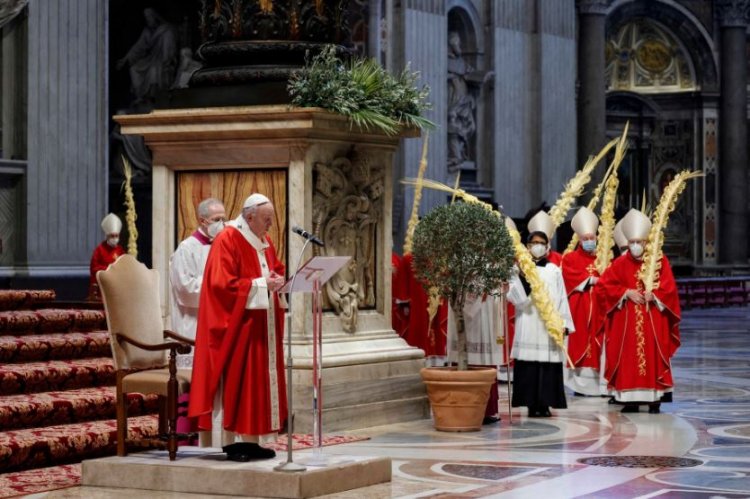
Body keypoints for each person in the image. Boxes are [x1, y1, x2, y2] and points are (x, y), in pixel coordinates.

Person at [188, 193, 287, 461]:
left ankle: (253, 440)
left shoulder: (264, 242)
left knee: (257, 385)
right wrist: (260, 284)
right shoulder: (228, 239)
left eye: (271, 220)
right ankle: (232, 444)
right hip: (236, 329)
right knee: (237, 383)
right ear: (250, 216)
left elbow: (273, 270)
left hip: (259, 329)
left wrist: (277, 279)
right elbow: (222, 285)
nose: (270, 226)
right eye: (266, 220)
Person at [596, 209, 681, 414]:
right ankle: (630, 399)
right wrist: (625, 293)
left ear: (646, 242)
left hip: (652, 318)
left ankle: (653, 399)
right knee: (628, 358)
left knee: (650, 356)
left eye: (639, 242)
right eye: (632, 242)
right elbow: (603, 287)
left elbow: (670, 289)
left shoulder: (659, 262)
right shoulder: (619, 263)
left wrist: (656, 295)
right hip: (626, 321)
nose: (635, 246)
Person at [508, 230, 575, 417]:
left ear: (547, 247)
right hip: (528, 321)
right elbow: (516, 299)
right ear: (527, 247)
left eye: (541, 242)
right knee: (529, 365)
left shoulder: (554, 270)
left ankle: (545, 404)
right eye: (533, 242)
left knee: (547, 365)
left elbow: (562, 297)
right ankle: (529, 404)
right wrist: (523, 277)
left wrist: (564, 323)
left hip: (548, 326)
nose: (537, 246)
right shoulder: (518, 269)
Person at [169, 198, 226, 369]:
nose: (222, 224)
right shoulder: (186, 249)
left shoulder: (223, 246)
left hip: (218, 321)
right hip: (193, 322)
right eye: (217, 220)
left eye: (224, 218)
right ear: (202, 221)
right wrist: (219, 283)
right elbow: (186, 289)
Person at [561, 207, 603, 396]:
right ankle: (579, 386)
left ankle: (600, 384)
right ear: (578, 239)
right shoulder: (570, 258)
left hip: (600, 309)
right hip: (579, 308)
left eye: (591, 238)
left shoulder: (603, 258)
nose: (589, 241)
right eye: (585, 238)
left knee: (599, 343)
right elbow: (569, 277)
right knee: (581, 343)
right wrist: (590, 280)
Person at [447, 292, 503, 423]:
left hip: (486, 306)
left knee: (483, 354)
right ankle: (465, 406)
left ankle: (486, 409)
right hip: (466, 304)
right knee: (466, 347)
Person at [116, 8, 178, 105]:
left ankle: (153, 97)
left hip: (162, 60)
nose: (148, 20)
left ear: (155, 17)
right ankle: (140, 96)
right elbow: (137, 47)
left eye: (149, 17)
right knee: (134, 68)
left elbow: (169, 50)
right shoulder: (147, 31)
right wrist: (124, 60)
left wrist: (168, 60)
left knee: (154, 70)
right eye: (146, 18)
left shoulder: (166, 30)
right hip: (150, 59)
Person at [88, 213, 126, 300]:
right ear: (107, 236)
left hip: (117, 287)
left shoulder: (120, 250)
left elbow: (125, 266)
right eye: (112, 236)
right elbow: (94, 268)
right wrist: (109, 269)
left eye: (116, 236)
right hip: (102, 288)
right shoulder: (99, 250)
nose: (115, 238)